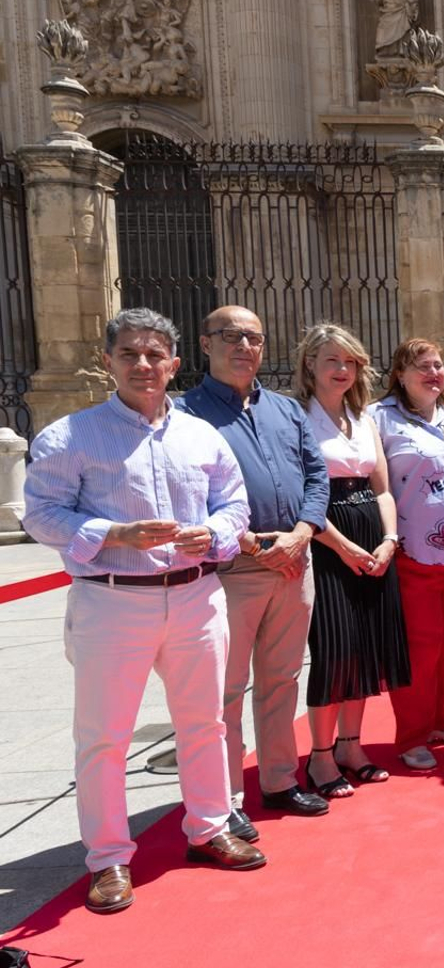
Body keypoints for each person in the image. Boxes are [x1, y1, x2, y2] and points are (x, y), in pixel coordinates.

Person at [23, 307, 265, 915]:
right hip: (112, 599)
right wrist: (115, 533)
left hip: (195, 595)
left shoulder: (199, 435)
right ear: (108, 361)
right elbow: (41, 514)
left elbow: (233, 503)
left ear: (175, 364)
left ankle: (210, 827)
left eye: (155, 354)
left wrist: (211, 534)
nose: (143, 364)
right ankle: (108, 858)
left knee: (204, 721)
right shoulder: (69, 436)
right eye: (129, 353)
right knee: (104, 737)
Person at [176, 306, 331, 841]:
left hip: (293, 560)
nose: (244, 346)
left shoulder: (286, 409)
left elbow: (316, 474)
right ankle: (224, 800)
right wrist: (239, 539)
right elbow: (184, 489)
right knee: (225, 690)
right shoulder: (185, 414)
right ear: (205, 343)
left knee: (282, 679)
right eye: (231, 336)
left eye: (254, 338)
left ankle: (280, 781)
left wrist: (304, 531)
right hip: (231, 567)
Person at [295, 323, 411, 796]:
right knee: (334, 650)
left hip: (372, 535)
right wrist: (343, 547)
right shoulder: (296, 417)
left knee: (365, 647)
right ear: (310, 365)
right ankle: (320, 757)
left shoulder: (363, 418)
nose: (342, 370)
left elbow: (381, 486)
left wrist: (390, 539)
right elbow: (301, 495)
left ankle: (351, 745)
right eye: (331, 360)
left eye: (350, 362)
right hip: (327, 540)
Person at [373, 339, 444, 771]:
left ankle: (442, 718)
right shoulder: (380, 418)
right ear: (400, 373)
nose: (434, 373)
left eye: (438, 365)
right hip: (413, 548)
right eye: (423, 366)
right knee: (419, 647)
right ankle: (412, 734)